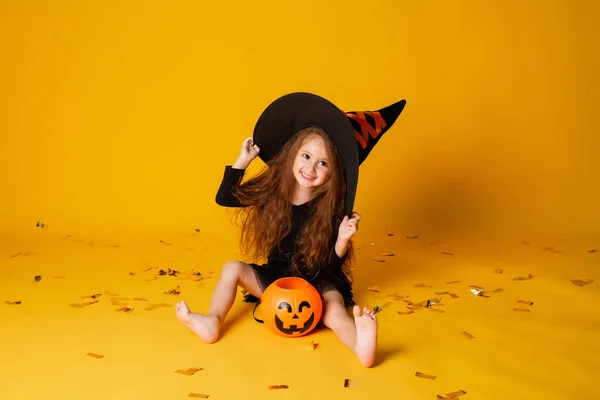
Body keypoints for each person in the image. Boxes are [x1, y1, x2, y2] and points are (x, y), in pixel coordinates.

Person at [176, 92, 406, 368]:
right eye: (306, 156)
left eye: (323, 163)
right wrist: (243, 160)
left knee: (333, 311)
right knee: (231, 269)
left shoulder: (328, 209)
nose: (311, 167)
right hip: (277, 280)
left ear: (333, 174)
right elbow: (226, 197)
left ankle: (360, 345)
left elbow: (329, 262)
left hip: (319, 281)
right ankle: (213, 321)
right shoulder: (273, 190)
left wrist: (343, 239)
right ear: (291, 155)